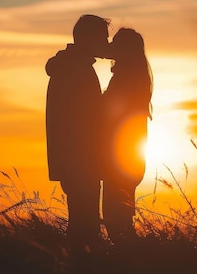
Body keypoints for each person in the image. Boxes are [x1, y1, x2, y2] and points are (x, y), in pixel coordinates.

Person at [45, 14, 111, 254]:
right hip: (81, 160)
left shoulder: (72, 65)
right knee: (85, 226)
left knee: (82, 222)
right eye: (103, 38)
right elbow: (81, 119)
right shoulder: (74, 69)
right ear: (86, 38)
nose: (106, 43)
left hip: (78, 160)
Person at [101, 27, 153, 244]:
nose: (110, 47)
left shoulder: (126, 79)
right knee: (120, 218)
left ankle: (131, 259)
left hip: (121, 159)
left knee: (116, 219)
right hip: (130, 158)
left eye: (115, 44)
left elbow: (108, 113)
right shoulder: (136, 77)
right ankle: (131, 257)